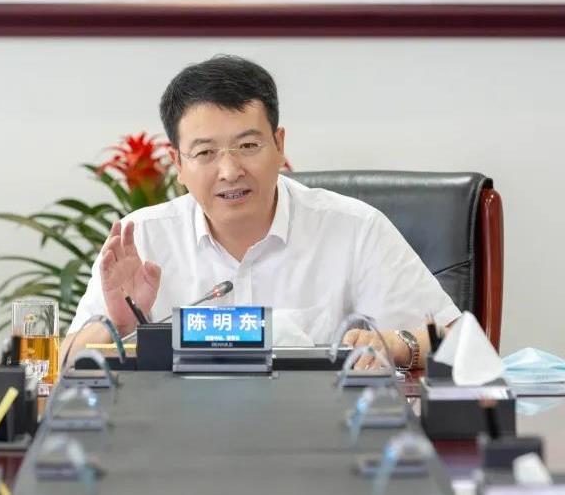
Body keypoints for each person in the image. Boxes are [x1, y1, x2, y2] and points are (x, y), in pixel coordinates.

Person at [60, 55, 460, 371]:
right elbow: (65, 363)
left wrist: (394, 345)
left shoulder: (354, 229)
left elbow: (457, 342)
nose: (230, 171)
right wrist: (120, 325)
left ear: (279, 145)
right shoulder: (143, 237)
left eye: (248, 146)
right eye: (205, 152)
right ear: (178, 164)